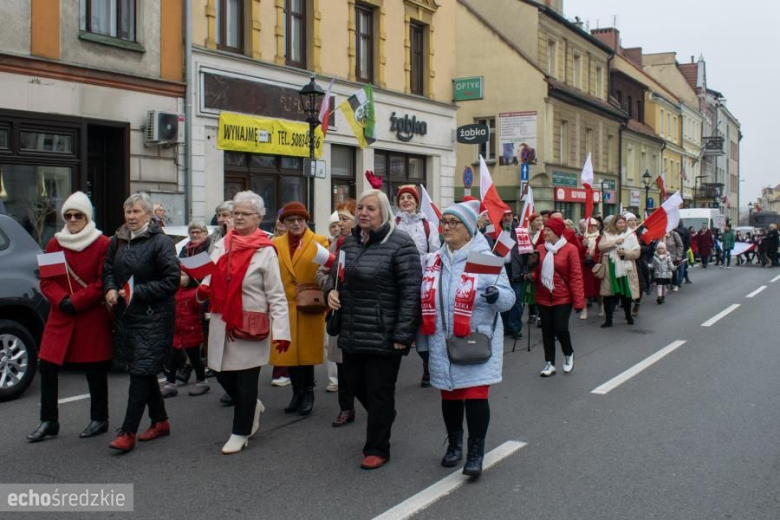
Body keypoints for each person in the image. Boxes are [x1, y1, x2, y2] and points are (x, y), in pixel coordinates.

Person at [325, 189, 422, 470]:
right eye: (361, 209)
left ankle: (377, 447)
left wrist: (403, 336)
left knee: (379, 390)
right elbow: (336, 280)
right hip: (352, 330)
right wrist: (331, 293)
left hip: (384, 333)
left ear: (384, 213)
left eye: (371, 209)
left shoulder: (401, 244)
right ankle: (385, 415)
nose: (363, 213)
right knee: (354, 384)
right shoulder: (348, 244)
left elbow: (410, 293)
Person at [424, 200, 515, 478]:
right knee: (449, 396)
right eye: (445, 222)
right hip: (442, 340)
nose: (447, 228)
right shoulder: (434, 261)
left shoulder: (485, 260)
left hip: (476, 340)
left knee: (475, 395)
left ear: (469, 230)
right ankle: (455, 444)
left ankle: (476, 452)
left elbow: (508, 298)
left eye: (454, 223)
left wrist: (495, 295)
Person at [199, 191, 290, 454]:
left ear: (259, 218)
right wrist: (203, 287)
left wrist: (282, 332)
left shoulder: (266, 250)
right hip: (221, 319)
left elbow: (277, 295)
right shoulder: (221, 244)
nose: (237, 217)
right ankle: (251, 406)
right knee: (218, 371)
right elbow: (210, 274)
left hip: (250, 323)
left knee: (246, 381)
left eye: (244, 214)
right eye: (235, 212)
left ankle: (240, 431)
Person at [27, 192, 113, 443]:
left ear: (87, 217)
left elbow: (102, 282)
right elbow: (47, 280)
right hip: (61, 313)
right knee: (48, 366)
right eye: (68, 215)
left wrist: (76, 301)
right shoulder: (55, 242)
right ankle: (49, 421)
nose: (72, 219)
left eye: (78, 215)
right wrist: (62, 300)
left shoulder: (103, 244)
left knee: (95, 368)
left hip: (90, 314)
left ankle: (100, 418)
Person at [104, 193, 180, 452]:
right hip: (127, 316)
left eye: (136, 211)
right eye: (128, 211)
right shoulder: (117, 240)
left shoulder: (161, 243)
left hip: (154, 317)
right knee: (143, 372)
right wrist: (111, 288)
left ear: (149, 215)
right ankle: (160, 421)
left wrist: (138, 292)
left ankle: (128, 432)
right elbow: (108, 270)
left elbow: (171, 280)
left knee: (140, 373)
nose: (131, 216)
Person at [271, 202, 329, 416]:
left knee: (305, 354)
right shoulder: (275, 243)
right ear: (283, 223)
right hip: (284, 305)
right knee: (288, 354)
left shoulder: (320, 242)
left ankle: (308, 393)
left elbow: (329, 270)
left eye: (300, 220)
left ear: (306, 221)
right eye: (291, 220)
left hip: (309, 305)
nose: (296, 224)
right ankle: (296, 393)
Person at [317, 199, 358, 427]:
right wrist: (330, 287)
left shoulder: (366, 243)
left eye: (344, 219)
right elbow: (320, 273)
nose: (340, 224)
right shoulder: (334, 245)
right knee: (341, 364)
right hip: (338, 310)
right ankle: (346, 407)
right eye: (338, 219)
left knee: (359, 365)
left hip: (360, 310)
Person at [394, 185, 440, 387]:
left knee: (423, 326)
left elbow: (437, 253)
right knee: (397, 324)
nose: (405, 201)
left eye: (409, 198)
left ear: (416, 202)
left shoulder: (428, 225)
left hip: (422, 283)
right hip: (397, 282)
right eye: (402, 198)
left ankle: (428, 367)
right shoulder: (392, 224)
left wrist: (424, 262)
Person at [162, 222, 212, 398]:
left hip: (192, 331)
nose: (179, 278)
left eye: (182, 275)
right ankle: (170, 383)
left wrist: (203, 293)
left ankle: (201, 380)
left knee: (195, 358)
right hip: (177, 331)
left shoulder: (193, 292)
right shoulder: (174, 291)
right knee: (173, 359)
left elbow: (200, 302)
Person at [533, 217, 585, 377]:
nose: (544, 232)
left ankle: (568, 354)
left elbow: (576, 275)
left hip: (563, 296)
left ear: (556, 232)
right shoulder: (540, 248)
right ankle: (550, 363)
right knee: (547, 331)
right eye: (544, 229)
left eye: (548, 230)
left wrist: (579, 302)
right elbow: (535, 271)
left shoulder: (570, 249)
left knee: (560, 328)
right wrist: (530, 274)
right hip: (543, 295)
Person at [598, 215, 640, 328]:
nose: (622, 225)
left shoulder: (630, 235)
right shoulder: (607, 234)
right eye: (619, 223)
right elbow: (601, 247)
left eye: (623, 222)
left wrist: (625, 254)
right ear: (614, 224)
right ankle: (608, 320)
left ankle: (628, 315)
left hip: (626, 268)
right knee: (609, 295)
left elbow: (637, 253)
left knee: (626, 295)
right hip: (610, 267)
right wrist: (615, 242)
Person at [580, 218, 601, 320]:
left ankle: (601, 307)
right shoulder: (582, 237)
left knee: (599, 289)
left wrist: (593, 258)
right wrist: (583, 247)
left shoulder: (600, 238)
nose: (592, 228)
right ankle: (584, 310)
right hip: (585, 267)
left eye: (594, 226)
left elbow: (601, 251)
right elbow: (578, 251)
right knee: (585, 290)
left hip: (596, 265)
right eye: (590, 226)